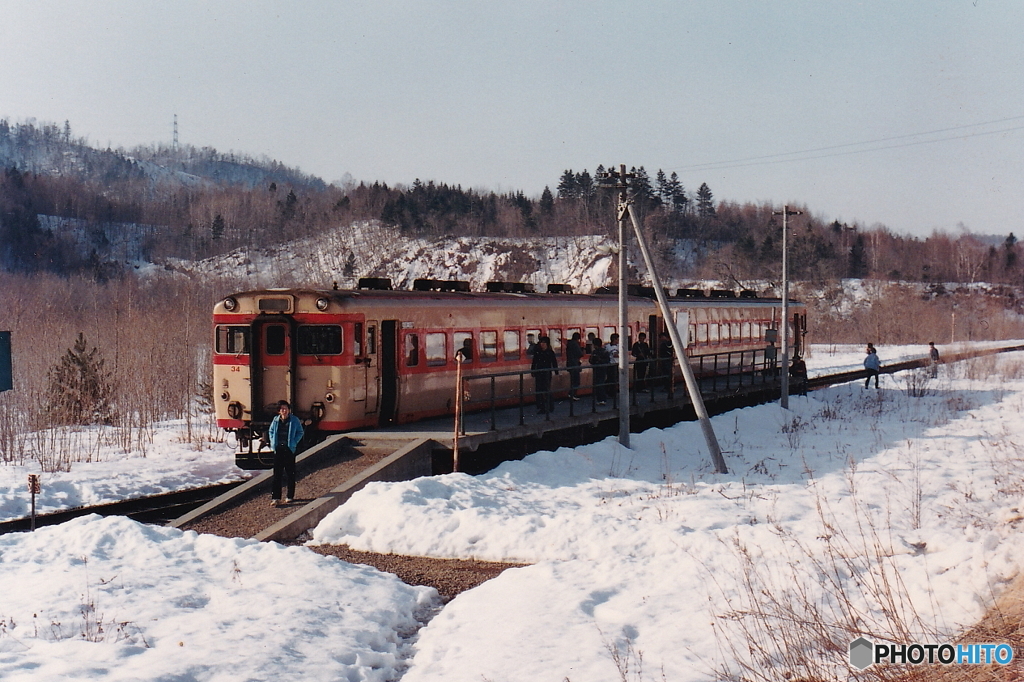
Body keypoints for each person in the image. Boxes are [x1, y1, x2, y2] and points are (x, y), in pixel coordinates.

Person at [268, 400, 304, 506]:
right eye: (282, 409)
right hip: (278, 449)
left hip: (289, 450)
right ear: (279, 411)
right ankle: (276, 498)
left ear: (288, 410)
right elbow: (270, 431)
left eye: (286, 408)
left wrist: (293, 442)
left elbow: (300, 432)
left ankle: (290, 496)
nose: (284, 410)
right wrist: (273, 441)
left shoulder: (294, 420)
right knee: (277, 474)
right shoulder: (275, 420)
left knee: (290, 473)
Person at [531, 335, 559, 413]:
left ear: (547, 344)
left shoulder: (550, 352)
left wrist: (556, 372)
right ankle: (542, 407)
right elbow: (534, 362)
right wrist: (532, 370)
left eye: (543, 343)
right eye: (541, 342)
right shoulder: (538, 352)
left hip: (546, 373)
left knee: (546, 390)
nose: (542, 344)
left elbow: (554, 362)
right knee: (539, 390)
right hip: (539, 373)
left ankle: (550, 406)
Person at [589, 338, 612, 405]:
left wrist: (598, 360)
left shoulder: (595, 352)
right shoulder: (605, 351)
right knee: (600, 383)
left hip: (597, 369)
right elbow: (607, 360)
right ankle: (602, 399)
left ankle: (601, 399)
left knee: (598, 384)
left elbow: (591, 361)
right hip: (603, 369)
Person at [565, 332, 584, 401]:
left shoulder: (569, 344)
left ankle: (571, 394)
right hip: (575, 364)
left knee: (573, 380)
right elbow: (580, 354)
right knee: (576, 381)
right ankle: (572, 394)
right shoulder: (575, 344)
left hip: (570, 364)